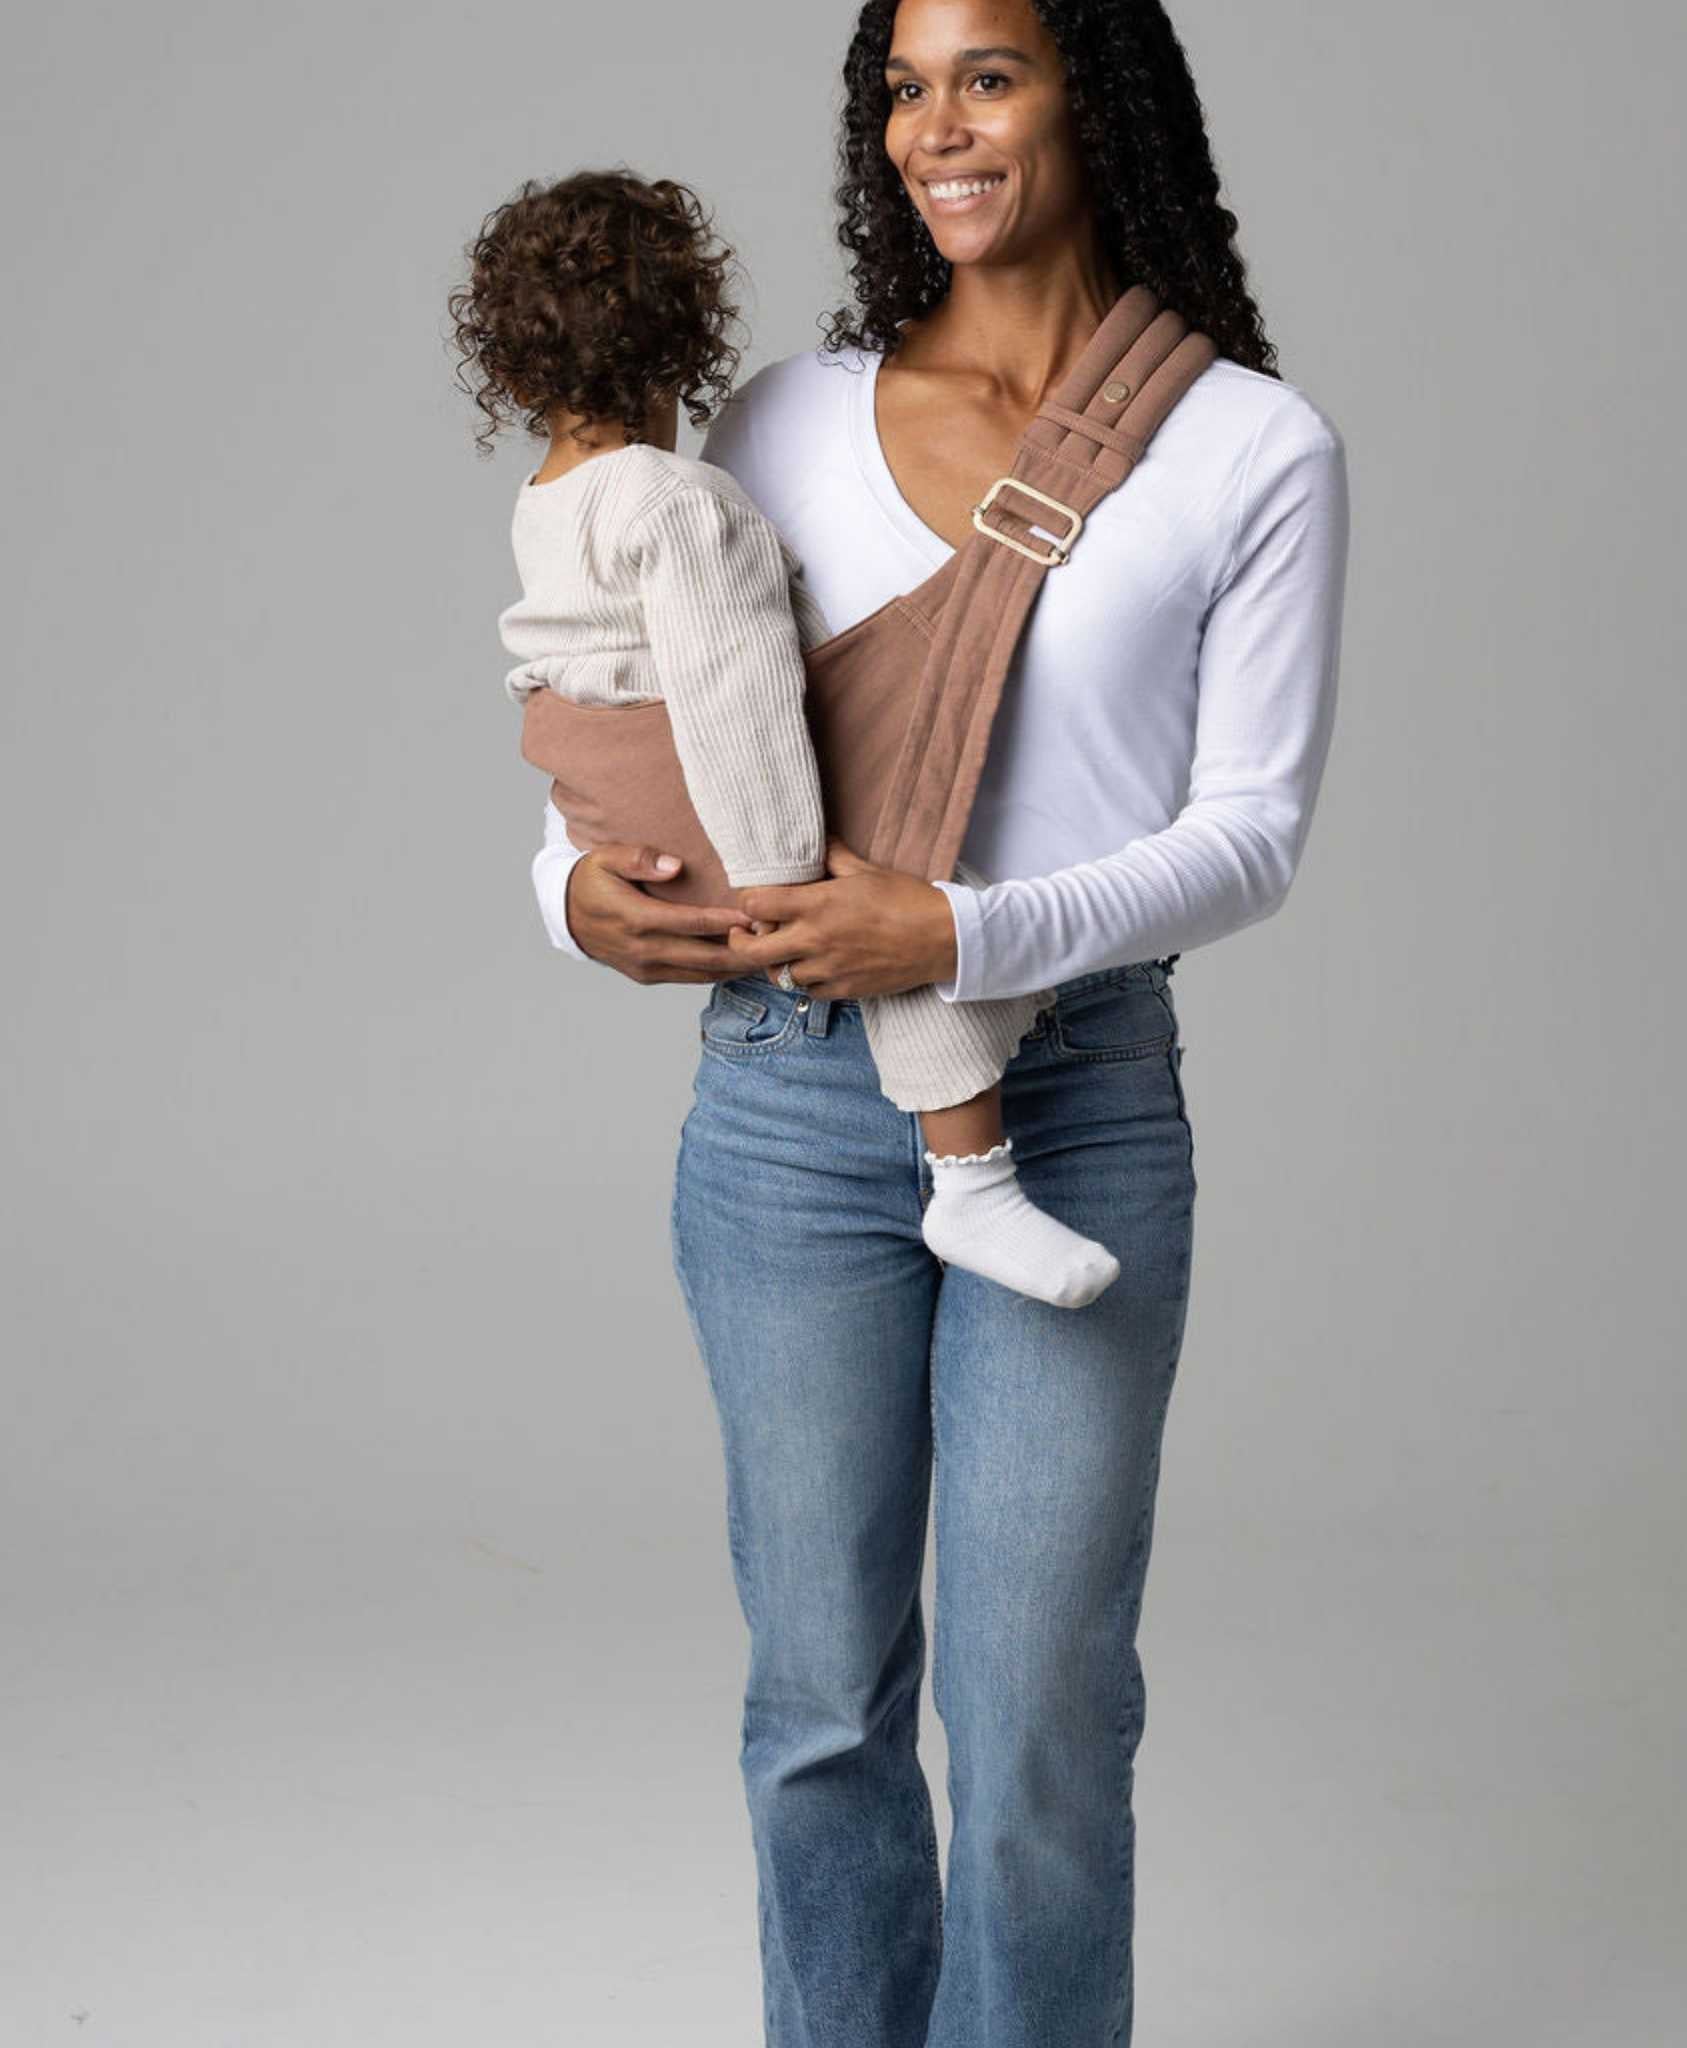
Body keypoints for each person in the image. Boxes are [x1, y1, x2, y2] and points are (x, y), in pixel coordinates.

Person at [528, 2, 1347, 2040]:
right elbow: (653, 718)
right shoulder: (778, 420)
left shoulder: (1249, 445)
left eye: (987, 73)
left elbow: (1248, 837)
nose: (933, 126)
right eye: (901, 86)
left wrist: (963, 930)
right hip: (788, 1106)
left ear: (1098, 94)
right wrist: (566, 896)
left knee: (1040, 1695)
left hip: (1070, 1098)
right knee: (818, 1694)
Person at [452, 168, 1121, 1311]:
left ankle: (971, 1144)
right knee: (904, 898)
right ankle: (973, 1177)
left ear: (510, 366)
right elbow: (735, 695)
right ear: (680, 344)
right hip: (720, 814)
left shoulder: (545, 498)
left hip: (618, 812)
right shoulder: (676, 500)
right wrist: (790, 885)